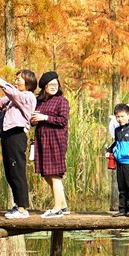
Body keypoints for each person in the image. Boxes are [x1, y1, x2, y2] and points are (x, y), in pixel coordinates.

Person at [0, 69, 38, 218]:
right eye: (15, 79)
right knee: (10, 172)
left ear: (28, 83)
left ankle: (23, 208)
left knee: (17, 171)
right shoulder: (12, 99)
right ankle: (17, 204)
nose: (16, 82)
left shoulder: (27, 97)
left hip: (17, 134)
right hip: (7, 134)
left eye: (19, 80)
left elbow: (13, 93)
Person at [31, 71, 71, 217]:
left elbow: (62, 120)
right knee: (46, 173)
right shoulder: (39, 101)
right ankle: (64, 206)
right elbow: (34, 119)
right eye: (51, 85)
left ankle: (56, 209)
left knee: (54, 174)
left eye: (56, 84)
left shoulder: (62, 101)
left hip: (56, 140)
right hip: (42, 140)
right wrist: (34, 121)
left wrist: (45, 117)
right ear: (44, 86)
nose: (54, 87)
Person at [108, 102, 129, 216]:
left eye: (122, 116)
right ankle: (122, 209)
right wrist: (109, 151)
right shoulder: (117, 130)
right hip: (119, 162)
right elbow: (116, 143)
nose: (120, 119)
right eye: (117, 117)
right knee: (121, 187)